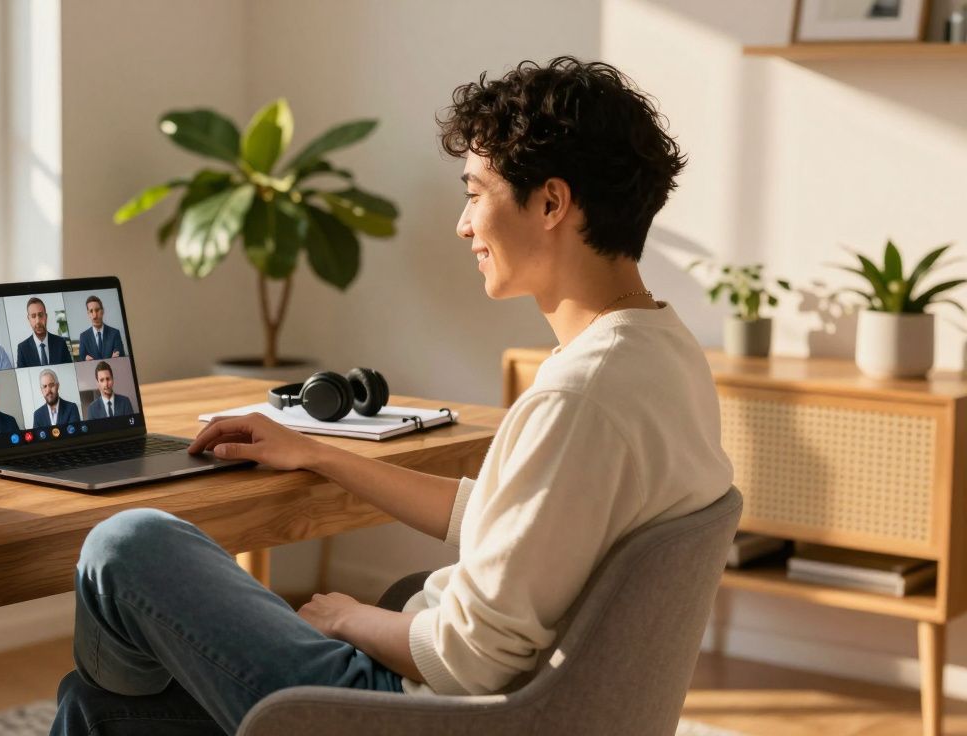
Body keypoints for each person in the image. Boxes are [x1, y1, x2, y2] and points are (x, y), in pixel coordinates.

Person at [49, 57, 734, 735]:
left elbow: (470, 658)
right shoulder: (660, 353)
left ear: (551, 202)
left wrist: (347, 618)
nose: (464, 226)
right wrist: (318, 453)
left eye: (475, 192)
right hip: (492, 701)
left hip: (416, 709)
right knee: (95, 707)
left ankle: (138, 675)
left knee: (126, 542)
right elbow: (507, 523)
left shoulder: (579, 396)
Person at [16, 297, 74, 367]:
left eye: (40, 315)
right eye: (33, 316)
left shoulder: (61, 343)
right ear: (29, 319)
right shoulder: (22, 349)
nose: (38, 321)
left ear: (46, 316)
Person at [77, 295, 126, 361]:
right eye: (91, 311)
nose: (94, 316)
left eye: (97, 310)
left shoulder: (115, 333)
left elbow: (121, 356)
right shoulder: (83, 337)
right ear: (88, 314)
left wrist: (117, 356)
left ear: (102, 311)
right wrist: (85, 359)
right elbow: (81, 359)